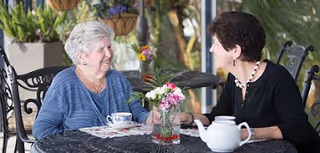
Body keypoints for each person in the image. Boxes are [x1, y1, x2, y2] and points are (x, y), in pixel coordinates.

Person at [180, 11, 320, 152]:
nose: (211, 49)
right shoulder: (234, 78)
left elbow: (297, 129)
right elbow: (217, 117)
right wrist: (186, 118)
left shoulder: (277, 77)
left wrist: (247, 133)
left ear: (235, 51)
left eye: (216, 44)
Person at [32, 21, 154, 140]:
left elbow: (137, 112)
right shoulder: (64, 84)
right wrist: (74, 144)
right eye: (101, 49)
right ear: (82, 56)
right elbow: (41, 130)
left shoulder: (118, 79)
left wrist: (150, 118)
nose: (109, 54)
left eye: (109, 47)